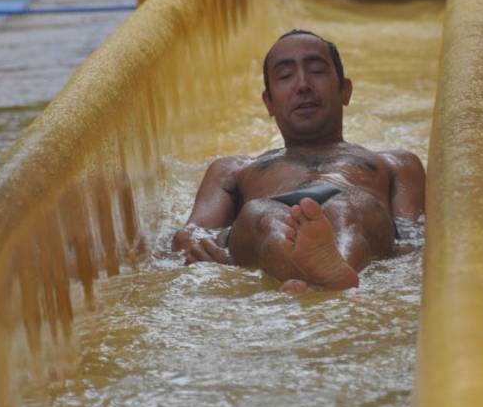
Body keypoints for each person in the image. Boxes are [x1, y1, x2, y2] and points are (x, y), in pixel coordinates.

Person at [173, 30, 426, 293]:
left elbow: (415, 233)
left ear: (345, 91)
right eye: (285, 77)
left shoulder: (395, 163)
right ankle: (328, 277)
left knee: (350, 207)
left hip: (355, 216)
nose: (303, 85)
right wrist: (200, 245)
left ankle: (329, 270)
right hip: (268, 221)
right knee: (261, 214)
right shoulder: (233, 170)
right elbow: (192, 234)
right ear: (268, 103)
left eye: (316, 71)